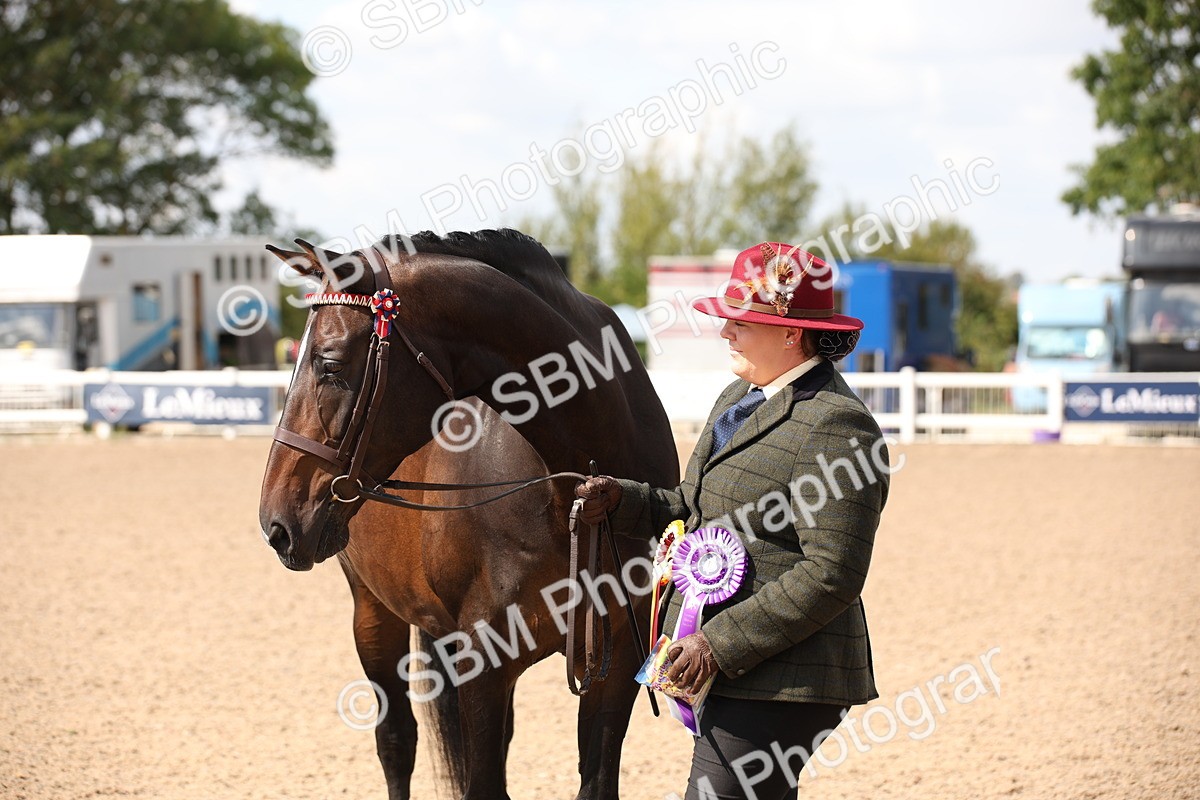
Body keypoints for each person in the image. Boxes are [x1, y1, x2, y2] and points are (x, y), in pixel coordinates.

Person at [577, 242, 889, 799]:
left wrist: (717, 644)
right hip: (734, 670)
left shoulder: (837, 425)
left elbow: (833, 573)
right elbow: (692, 509)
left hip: (788, 678)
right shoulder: (737, 398)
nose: (726, 333)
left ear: (791, 332)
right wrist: (619, 500)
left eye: (740, 322)